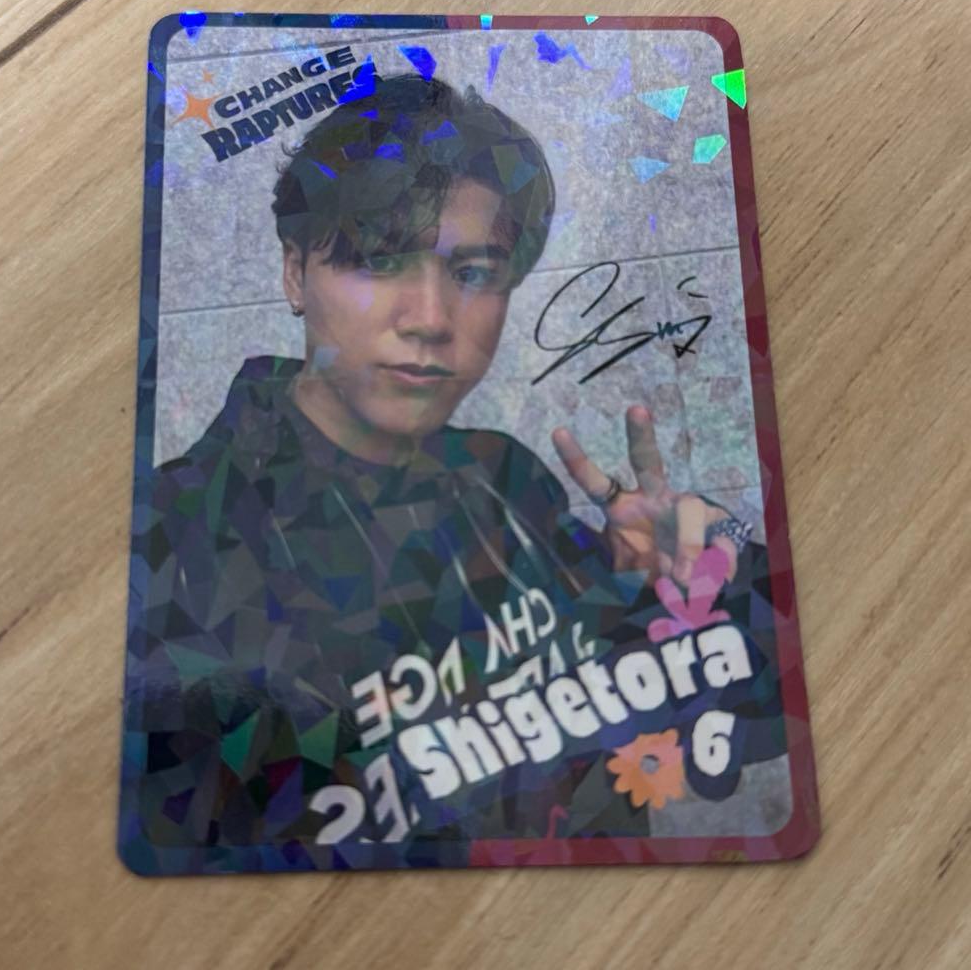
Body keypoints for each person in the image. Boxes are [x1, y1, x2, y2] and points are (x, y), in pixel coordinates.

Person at [121, 74, 779, 872]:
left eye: (473, 274)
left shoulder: (507, 482)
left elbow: (712, 725)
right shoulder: (172, 535)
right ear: (295, 273)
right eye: (379, 260)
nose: (431, 320)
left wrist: (697, 584)